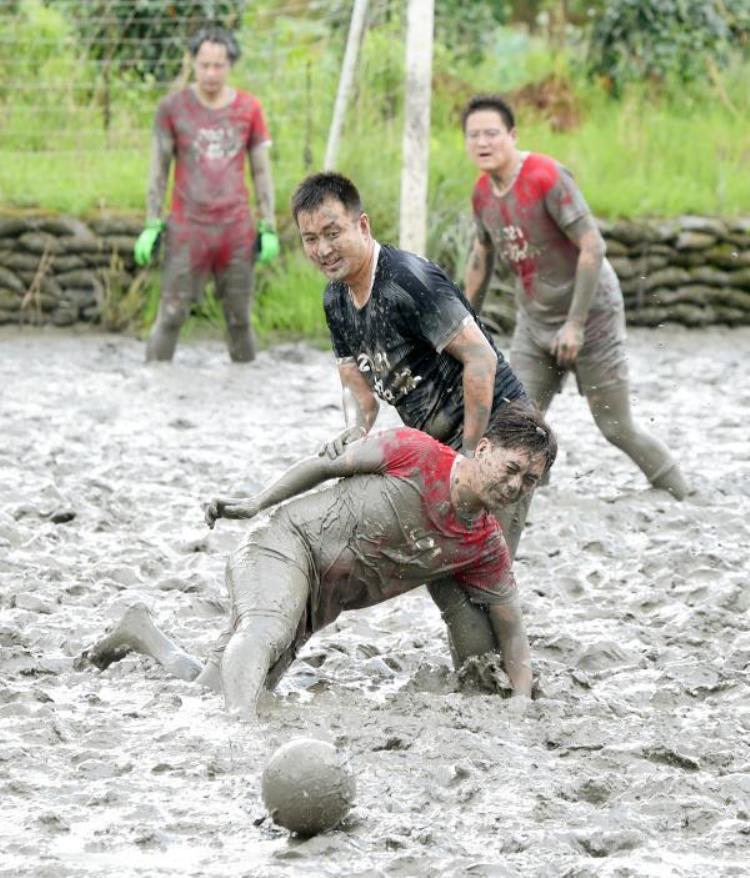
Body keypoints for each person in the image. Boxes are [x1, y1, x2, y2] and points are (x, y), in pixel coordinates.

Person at [86, 402, 557, 721]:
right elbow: (324, 465)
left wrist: (519, 698)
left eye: (529, 481)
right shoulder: (415, 452)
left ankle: (142, 632)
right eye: (511, 469)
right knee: (260, 645)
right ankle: (238, 738)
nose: (515, 486)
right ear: (484, 450)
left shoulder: (484, 544)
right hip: (284, 546)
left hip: (314, 605)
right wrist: (255, 503)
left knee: (217, 686)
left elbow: (511, 626)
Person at [290, 171, 531, 556]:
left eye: (332, 233)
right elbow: (359, 392)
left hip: (499, 435)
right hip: (440, 446)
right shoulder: (335, 300)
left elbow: (481, 358)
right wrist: (356, 430)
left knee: (485, 570)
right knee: (447, 572)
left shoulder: (407, 280)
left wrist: (469, 455)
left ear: (362, 225)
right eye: (311, 239)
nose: (323, 249)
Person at [461, 94, 687, 500]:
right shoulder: (482, 194)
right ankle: (531, 490)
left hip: (591, 314)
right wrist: (464, 321)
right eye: (474, 135)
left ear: (512, 135)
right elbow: (482, 255)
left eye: (492, 133)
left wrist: (576, 324)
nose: (483, 142)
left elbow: (593, 247)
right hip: (535, 320)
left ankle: (682, 493)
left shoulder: (547, 177)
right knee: (517, 418)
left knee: (615, 426)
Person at [134, 26, 279, 363]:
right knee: (171, 315)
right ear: (193, 63)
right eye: (204, 65)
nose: (211, 73)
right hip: (187, 229)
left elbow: (261, 171)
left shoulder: (249, 108)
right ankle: (154, 384)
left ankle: (245, 397)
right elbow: (158, 169)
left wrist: (268, 225)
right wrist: (152, 223)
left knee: (239, 320)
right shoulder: (172, 108)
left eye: (219, 65)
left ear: (230, 65)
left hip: (236, 231)